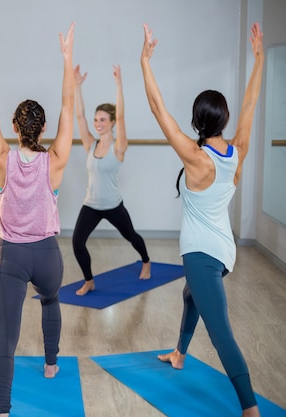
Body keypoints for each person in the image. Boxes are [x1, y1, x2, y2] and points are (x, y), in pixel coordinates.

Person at [141, 23, 264, 417]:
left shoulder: (196, 159)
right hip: (225, 252)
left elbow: (159, 111)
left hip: (200, 255)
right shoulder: (237, 152)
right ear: (222, 120)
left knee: (221, 331)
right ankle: (179, 353)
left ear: (198, 122)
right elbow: (250, 107)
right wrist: (259, 59)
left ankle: (250, 408)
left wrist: (145, 61)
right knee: (190, 295)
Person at [0, 21, 75, 417]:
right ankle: (51, 363)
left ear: (15, 128)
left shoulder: (2, 158)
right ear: (45, 129)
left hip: (12, 259)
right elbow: (69, 106)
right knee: (51, 298)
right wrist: (67, 60)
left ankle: (3, 410)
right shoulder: (55, 162)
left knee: (6, 338)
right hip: (48, 256)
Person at [71, 64, 151, 296]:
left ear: (112, 122)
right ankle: (89, 281)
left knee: (131, 235)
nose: (97, 123)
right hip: (91, 205)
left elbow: (123, 116)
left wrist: (119, 85)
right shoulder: (90, 144)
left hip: (113, 205)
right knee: (77, 243)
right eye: (96, 120)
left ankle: (146, 260)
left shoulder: (119, 147)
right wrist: (77, 87)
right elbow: (79, 115)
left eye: (103, 120)